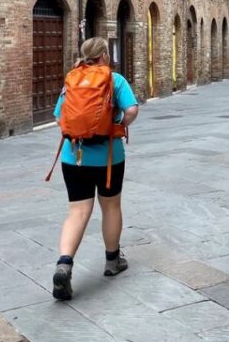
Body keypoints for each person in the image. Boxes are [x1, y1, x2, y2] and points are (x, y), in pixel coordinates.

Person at [52, 38, 139, 301]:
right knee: (110, 206)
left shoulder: (72, 80)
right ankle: (112, 261)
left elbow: (59, 116)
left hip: (73, 157)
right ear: (104, 54)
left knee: (77, 211)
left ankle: (64, 263)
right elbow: (132, 110)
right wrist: (118, 123)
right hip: (109, 158)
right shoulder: (115, 80)